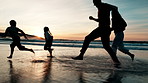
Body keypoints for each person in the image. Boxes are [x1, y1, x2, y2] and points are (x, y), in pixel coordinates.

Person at [72, 0, 120, 65]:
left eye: (95, 3)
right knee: (106, 46)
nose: (95, 5)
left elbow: (115, 7)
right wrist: (93, 19)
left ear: (99, 1)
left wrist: (114, 21)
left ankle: (81, 55)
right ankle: (116, 62)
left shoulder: (105, 5)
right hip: (104, 28)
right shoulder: (100, 8)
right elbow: (100, 20)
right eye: (94, 4)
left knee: (87, 38)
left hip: (103, 28)